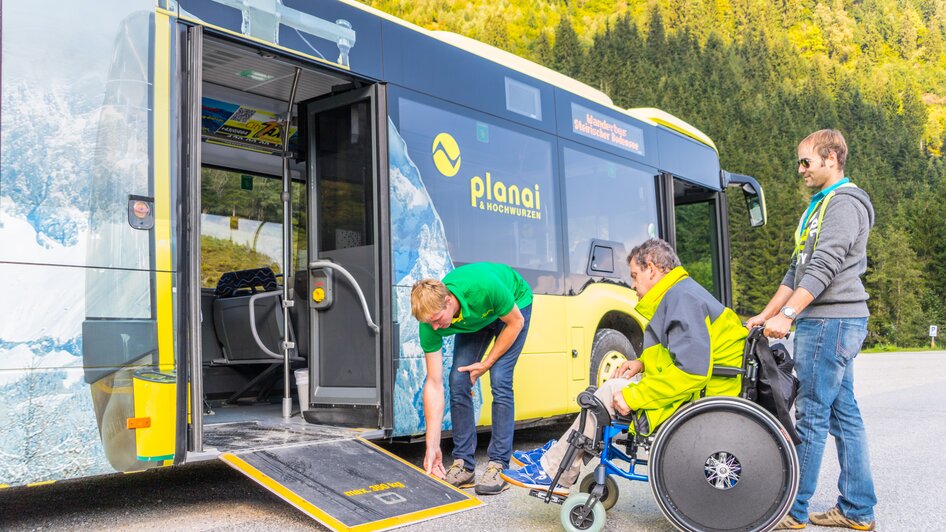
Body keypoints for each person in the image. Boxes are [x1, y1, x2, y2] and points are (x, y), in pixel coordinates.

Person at [500, 238, 746, 494]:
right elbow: (679, 353)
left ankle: (555, 471)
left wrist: (635, 395)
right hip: (707, 388)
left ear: (652, 268)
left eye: (635, 275)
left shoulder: (682, 298)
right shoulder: (682, 293)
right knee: (607, 390)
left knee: (608, 393)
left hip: (703, 395)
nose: (633, 284)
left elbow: (691, 371)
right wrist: (642, 363)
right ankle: (556, 458)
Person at [748, 129, 876, 531]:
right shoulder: (820, 207)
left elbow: (825, 266)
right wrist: (765, 314)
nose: (800, 169)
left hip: (829, 321)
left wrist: (787, 315)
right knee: (844, 415)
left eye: (806, 161)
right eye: (799, 162)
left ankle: (793, 509)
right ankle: (857, 509)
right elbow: (796, 270)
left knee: (812, 416)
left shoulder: (842, 204)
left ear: (832, 158)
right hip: (832, 320)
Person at [411, 262, 533, 495]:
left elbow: (516, 322)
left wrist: (486, 363)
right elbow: (434, 384)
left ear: (448, 301)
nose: (436, 327)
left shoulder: (483, 287)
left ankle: (499, 465)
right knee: (458, 380)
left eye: (438, 319)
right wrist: (432, 445)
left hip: (514, 306)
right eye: (430, 323)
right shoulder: (430, 325)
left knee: (500, 378)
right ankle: (464, 465)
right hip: (476, 319)